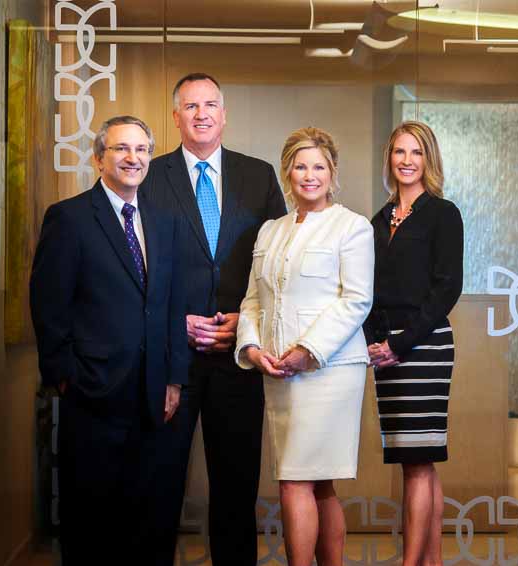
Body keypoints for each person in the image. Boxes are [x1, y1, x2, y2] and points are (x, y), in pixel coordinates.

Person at [141, 73, 287, 564]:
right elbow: (135, 263)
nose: (201, 114)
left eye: (210, 105)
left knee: (235, 487)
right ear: (176, 117)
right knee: (160, 486)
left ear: (224, 114)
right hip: (170, 356)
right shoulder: (150, 177)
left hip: (236, 357)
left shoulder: (259, 175)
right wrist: (173, 320)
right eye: (190, 106)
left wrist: (244, 324)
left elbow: (276, 267)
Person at [29, 115, 188, 566]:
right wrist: (64, 377)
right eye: (121, 149)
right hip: (92, 393)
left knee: (151, 517)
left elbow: (173, 306)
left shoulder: (163, 223)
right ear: (99, 159)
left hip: (154, 397)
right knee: (91, 517)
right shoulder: (70, 218)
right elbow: (48, 305)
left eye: (141, 150)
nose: (132, 158)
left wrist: (174, 379)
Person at [234, 127, 374, 566]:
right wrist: (253, 348)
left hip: (328, 371)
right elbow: (253, 298)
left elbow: (357, 299)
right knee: (319, 483)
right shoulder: (269, 232)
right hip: (276, 370)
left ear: (333, 174)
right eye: (300, 166)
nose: (309, 175)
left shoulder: (352, 227)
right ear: (287, 172)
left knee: (295, 481)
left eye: (319, 167)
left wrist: (307, 351)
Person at [365, 121, 463, 566]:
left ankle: (411, 564)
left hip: (424, 346)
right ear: (390, 158)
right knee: (418, 458)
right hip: (386, 352)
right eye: (399, 152)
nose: (406, 161)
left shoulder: (443, 214)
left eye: (416, 153)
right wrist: (375, 342)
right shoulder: (376, 220)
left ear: (429, 160)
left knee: (418, 459)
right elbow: (366, 291)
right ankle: (432, 561)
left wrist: (400, 343)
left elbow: (447, 290)